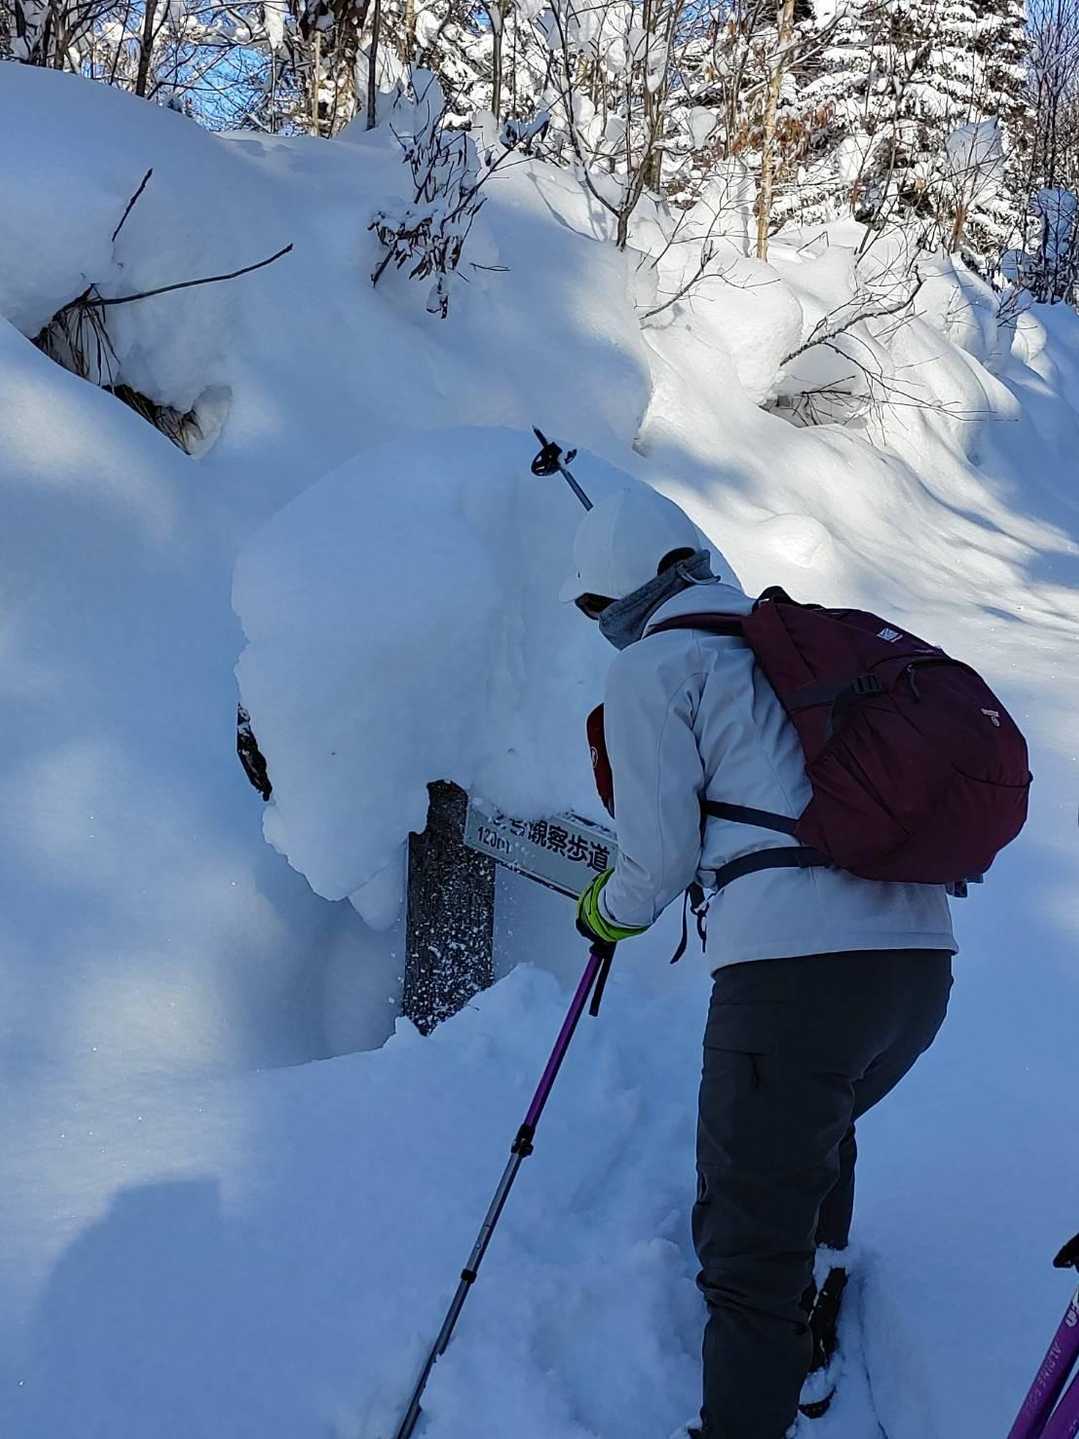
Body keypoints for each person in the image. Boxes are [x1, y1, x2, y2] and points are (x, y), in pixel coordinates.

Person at [564, 486, 956, 1439]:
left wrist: (603, 912)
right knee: (814, 1132)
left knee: (747, 1243)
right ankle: (811, 1333)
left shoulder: (655, 665)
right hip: (917, 965)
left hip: (795, 976)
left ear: (610, 598)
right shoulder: (795, 645)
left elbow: (654, 863)